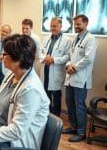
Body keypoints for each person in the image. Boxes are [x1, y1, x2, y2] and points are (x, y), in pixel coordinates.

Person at [62, 14, 97, 142]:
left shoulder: (90, 39)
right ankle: (73, 127)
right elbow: (69, 56)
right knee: (69, 103)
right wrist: (68, 65)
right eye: (75, 24)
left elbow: (88, 58)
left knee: (80, 106)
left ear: (86, 24)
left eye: (78, 24)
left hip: (81, 79)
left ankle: (81, 133)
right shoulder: (74, 38)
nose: (76, 26)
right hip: (70, 77)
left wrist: (74, 68)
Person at [40, 17, 71, 116]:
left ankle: (56, 117)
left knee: (56, 96)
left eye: (55, 26)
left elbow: (68, 56)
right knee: (46, 95)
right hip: (46, 70)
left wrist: (54, 60)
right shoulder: (46, 38)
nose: (52, 28)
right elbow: (40, 52)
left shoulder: (67, 40)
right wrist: (45, 58)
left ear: (61, 26)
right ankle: (47, 116)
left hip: (56, 71)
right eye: (51, 26)